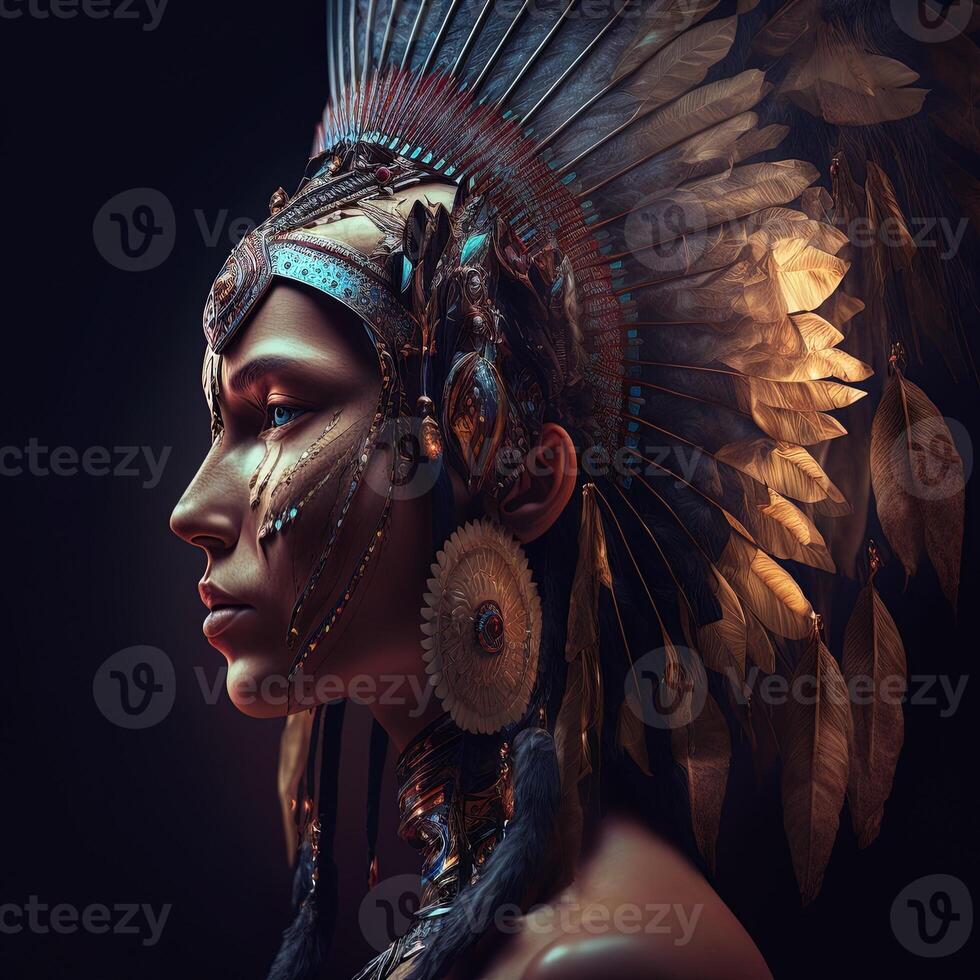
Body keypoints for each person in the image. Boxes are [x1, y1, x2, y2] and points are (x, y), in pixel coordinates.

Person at [171, 2, 973, 977]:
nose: (194, 509)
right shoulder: (477, 928)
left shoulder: (614, 954)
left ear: (518, 475)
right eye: (225, 423)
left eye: (284, 411)